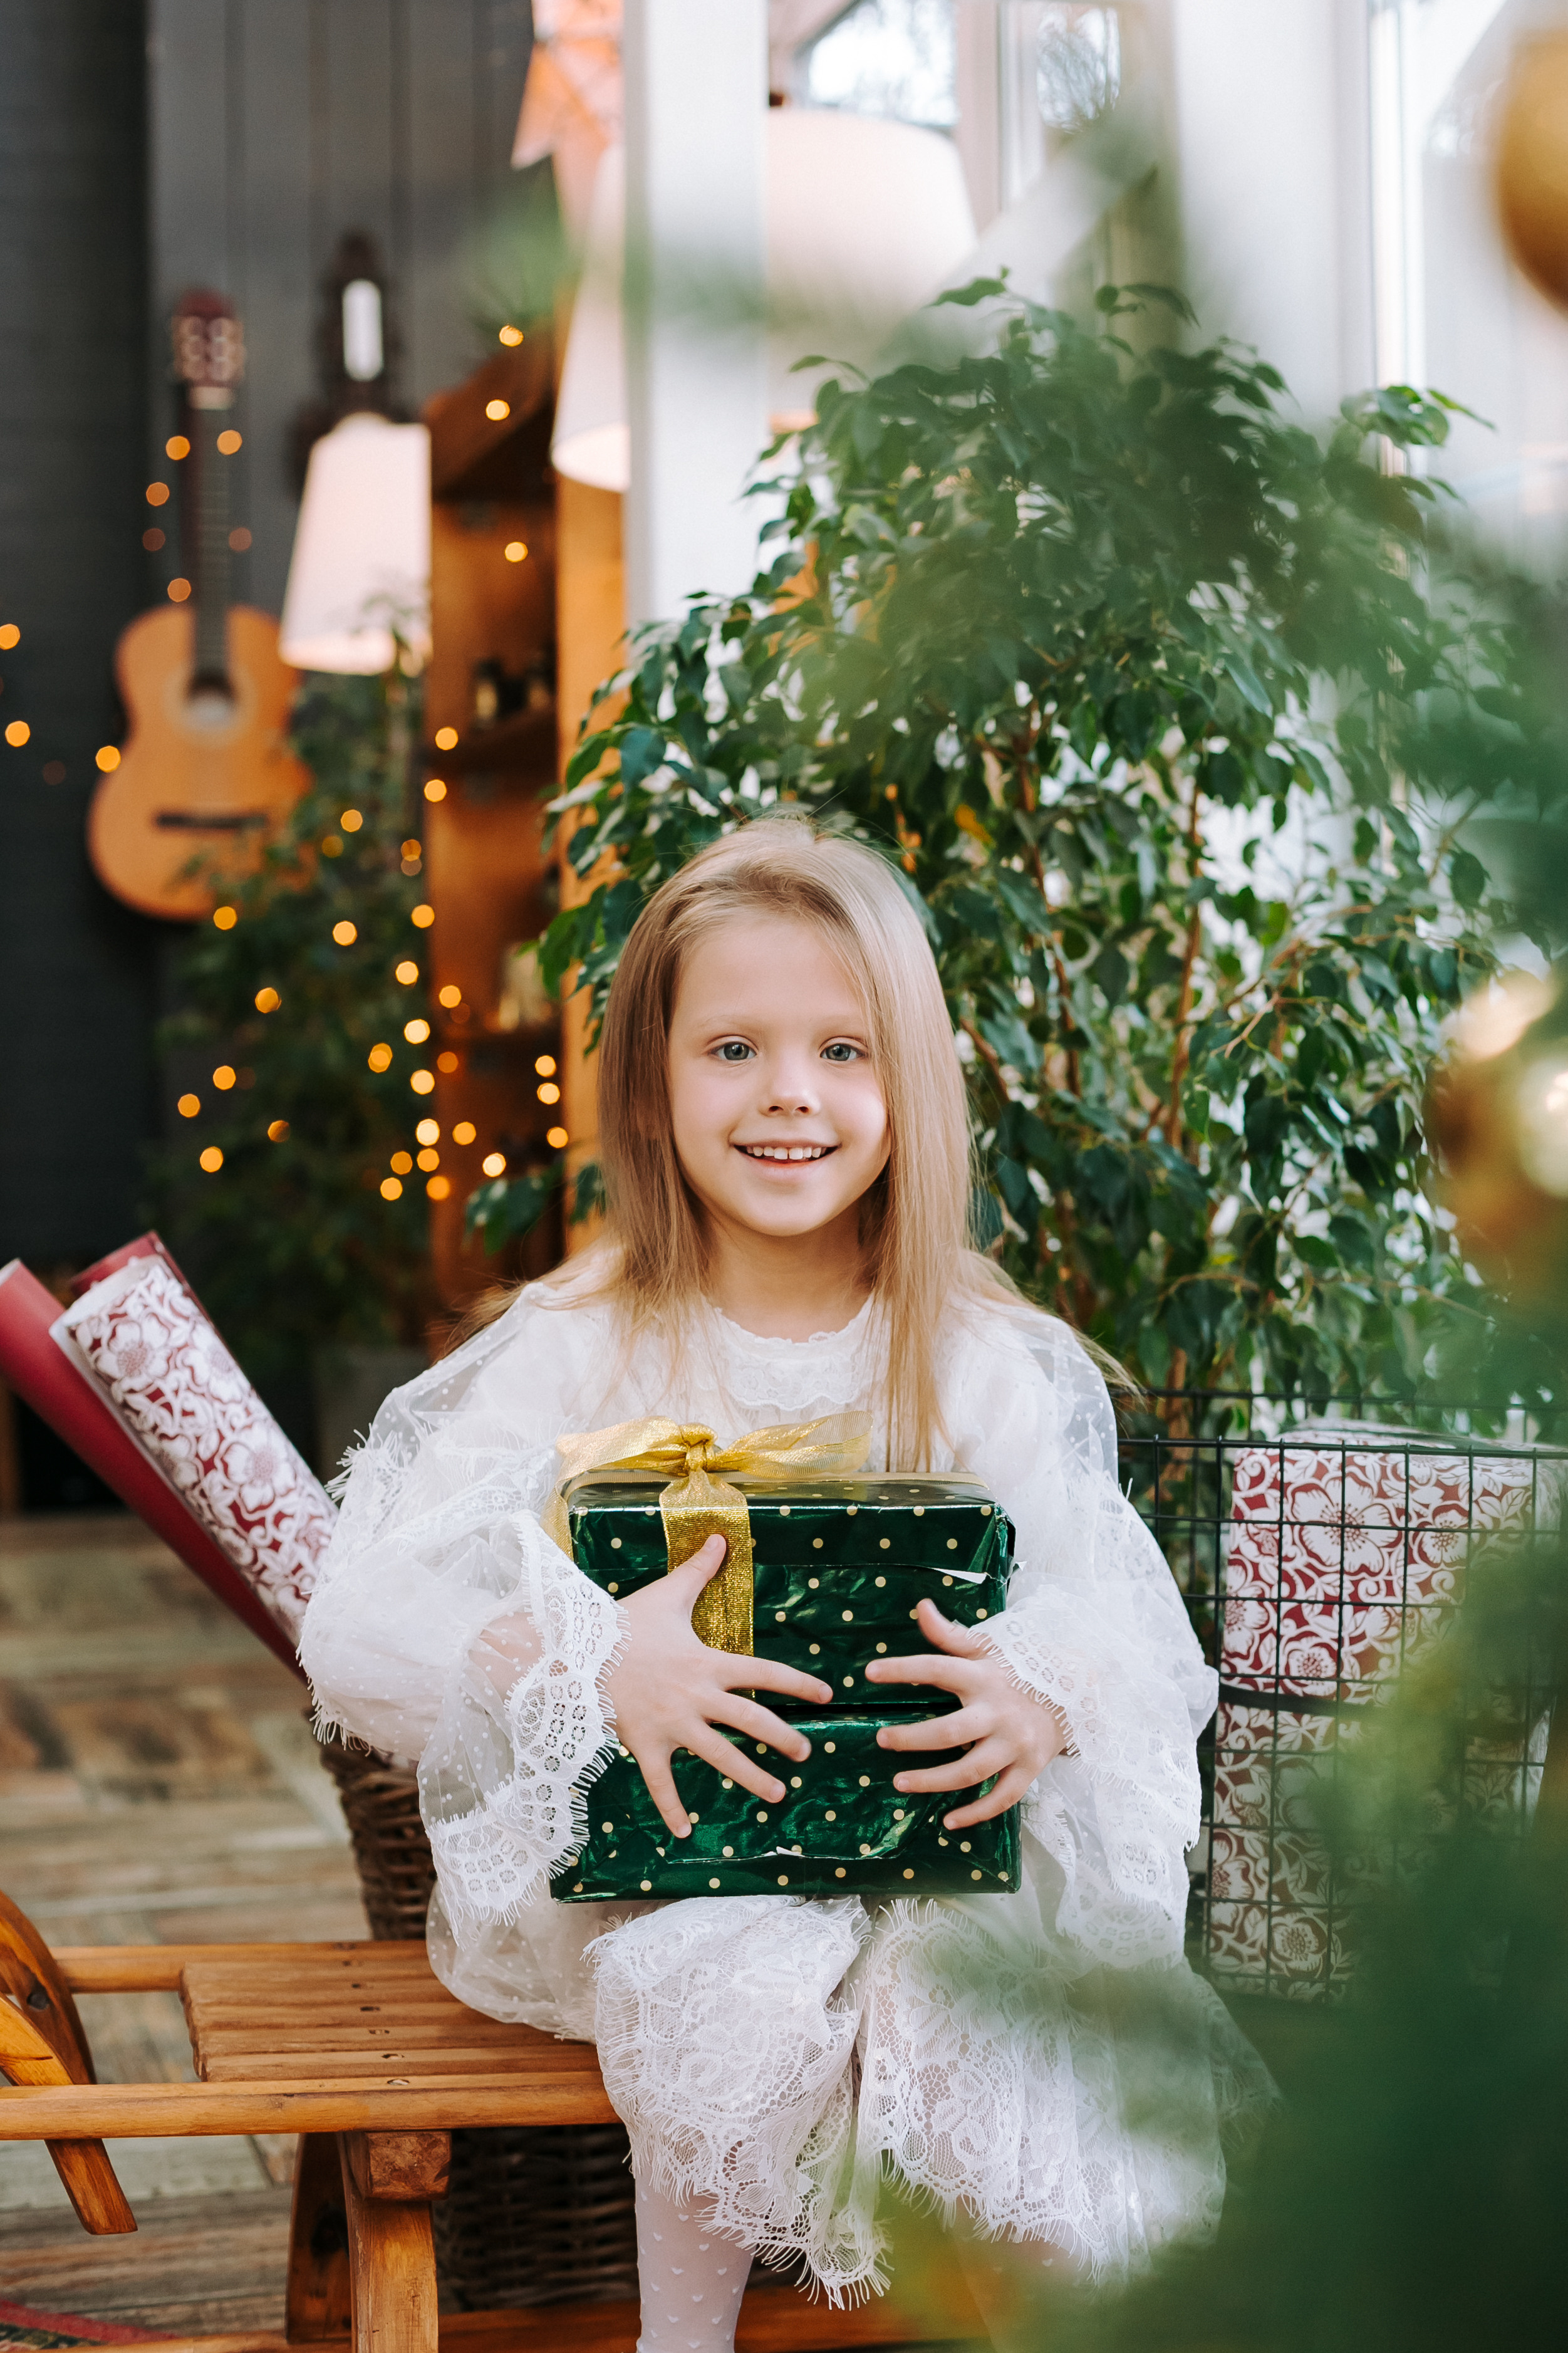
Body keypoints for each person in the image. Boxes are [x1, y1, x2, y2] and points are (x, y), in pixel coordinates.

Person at [299, 818, 1265, 2347]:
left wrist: (1040, 1699)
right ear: (651, 1082)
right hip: (692, 1867)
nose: (789, 1096)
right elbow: (357, 1619)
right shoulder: (582, 1339)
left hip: (947, 1859)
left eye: (841, 1049)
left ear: (913, 1084)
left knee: (983, 2015)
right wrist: (582, 1664)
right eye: (733, 1048)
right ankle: (680, 2340)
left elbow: (1120, 1617)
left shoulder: (981, 1362)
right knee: (720, 1971)